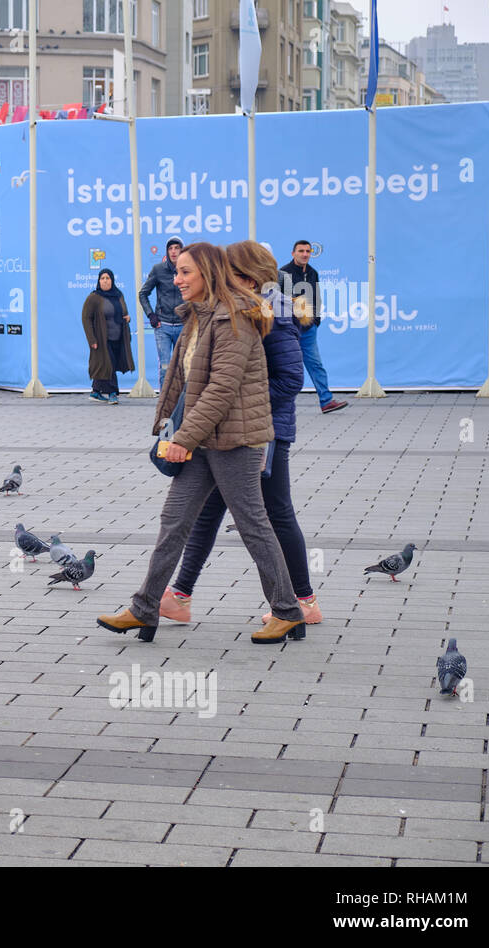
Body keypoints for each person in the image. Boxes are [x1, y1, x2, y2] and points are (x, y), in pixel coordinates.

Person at [96, 242, 306, 645]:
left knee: (253, 525)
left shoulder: (235, 321)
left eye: (185, 272)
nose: (176, 280)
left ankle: (287, 611)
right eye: (176, 272)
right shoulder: (199, 318)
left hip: (235, 440)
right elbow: (182, 380)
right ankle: (145, 609)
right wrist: (164, 427)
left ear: (208, 274)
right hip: (202, 439)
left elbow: (221, 389)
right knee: (174, 522)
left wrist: (184, 438)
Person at [160, 240, 322, 626]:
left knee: (274, 513)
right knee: (210, 510)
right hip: (231, 430)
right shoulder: (239, 310)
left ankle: (304, 602)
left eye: (227, 273)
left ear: (247, 277)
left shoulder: (273, 312)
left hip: (265, 431)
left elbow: (291, 379)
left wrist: (241, 401)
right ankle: (178, 595)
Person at [279, 240, 347, 414]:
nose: (305, 254)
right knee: (286, 367)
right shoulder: (283, 273)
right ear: (293, 253)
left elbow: (316, 298)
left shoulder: (313, 273)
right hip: (289, 329)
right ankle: (282, 406)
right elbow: (279, 301)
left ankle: (326, 401)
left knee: (315, 364)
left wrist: (315, 321)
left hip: (308, 329)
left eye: (308, 251)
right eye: (301, 251)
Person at [81, 268, 134, 405]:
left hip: (118, 337)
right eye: (102, 278)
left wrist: (128, 318)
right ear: (99, 281)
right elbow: (86, 319)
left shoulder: (118, 295)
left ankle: (96, 391)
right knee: (108, 364)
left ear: (112, 280)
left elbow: (124, 312)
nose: (105, 281)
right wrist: (91, 339)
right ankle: (112, 393)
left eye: (108, 278)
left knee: (105, 365)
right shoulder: (94, 298)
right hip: (102, 339)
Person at [139, 237, 185, 391]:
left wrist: (192, 315)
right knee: (165, 366)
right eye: (170, 248)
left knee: (184, 365)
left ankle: (182, 401)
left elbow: (198, 294)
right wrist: (151, 315)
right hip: (163, 326)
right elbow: (143, 294)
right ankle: (164, 400)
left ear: (182, 250)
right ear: (167, 251)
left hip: (183, 325)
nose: (173, 251)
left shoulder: (188, 270)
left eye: (177, 248)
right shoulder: (158, 270)